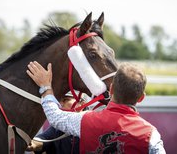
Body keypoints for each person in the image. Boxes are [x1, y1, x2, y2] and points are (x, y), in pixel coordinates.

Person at [26, 61, 166, 154]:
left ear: (111, 89)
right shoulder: (151, 135)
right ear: (141, 97)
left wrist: (45, 86)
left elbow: (54, 116)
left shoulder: (84, 120)